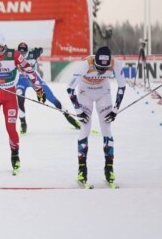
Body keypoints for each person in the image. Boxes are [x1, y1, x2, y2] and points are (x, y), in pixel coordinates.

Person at [0, 33, 45, 176]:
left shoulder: (14, 55)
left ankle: (15, 155)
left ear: (2, 46)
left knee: (11, 128)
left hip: (10, 95)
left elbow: (29, 70)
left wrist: (38, 89)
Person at [67, 46, 126, 186]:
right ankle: (82, 170)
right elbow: (69, 88)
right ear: (95, 62)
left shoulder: (115, 63)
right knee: (85, 129)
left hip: (103, 93)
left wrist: (115, 109)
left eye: (104, 69)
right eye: (99, 68)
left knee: (106, 130)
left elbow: (122, 86)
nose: (101, 72)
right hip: (85, 93)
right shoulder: (85, 65)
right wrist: (78, 110)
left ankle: (109, 169)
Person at [15, 42, 80, 133]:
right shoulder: (15, 55)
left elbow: (40, 49)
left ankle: (69, 117)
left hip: (35, 79)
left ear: (27, 51)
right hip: (22, 79)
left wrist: (38, 50)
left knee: (52, 98)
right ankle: (23, 122)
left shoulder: (32, 54)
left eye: (24, 53)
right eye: (20, 52)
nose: (22, 55)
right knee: (20, 97)